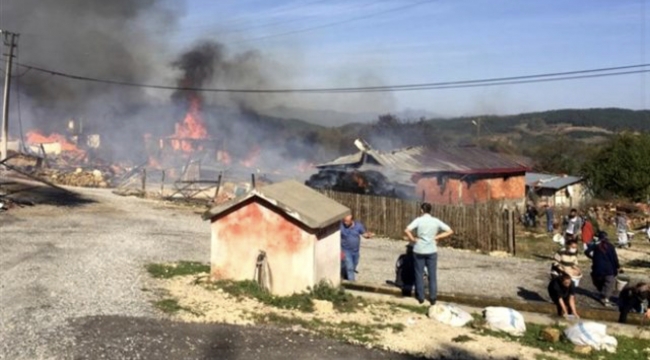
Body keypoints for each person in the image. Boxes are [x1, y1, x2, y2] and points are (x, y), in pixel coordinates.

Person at [404, 203, 454, 305]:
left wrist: (413, 239)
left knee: (419, 273)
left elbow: (407, 230)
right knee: (432, 274)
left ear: (422, 210)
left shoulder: (418, 220)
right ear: (430, 210)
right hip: (431, 250)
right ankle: (433, 297)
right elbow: (450, 231)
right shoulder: (435, 221)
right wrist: (438, 237)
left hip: (419, 249)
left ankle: (421, 297)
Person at [584, 231, 621, 306]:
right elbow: (614, 258)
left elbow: (587, 251)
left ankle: (603, 295)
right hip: (609, 268)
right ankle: (605, 298)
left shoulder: (596, 245)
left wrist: (592, 257)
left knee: (599, 281)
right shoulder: (610, 246)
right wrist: (618, 266)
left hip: (598, 268)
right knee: (609, 283)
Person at [340, 214, 374, 282]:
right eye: (344, 221)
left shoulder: (358, 226)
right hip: (345, 250)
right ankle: (352, 283)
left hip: (355, 251)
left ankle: (344, 275)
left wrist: (368, 235)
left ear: (351, 220)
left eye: (347, 221)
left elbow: (364, 234)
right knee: (350, 267)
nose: (345, 223)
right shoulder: (341, 226)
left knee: (354, 264)